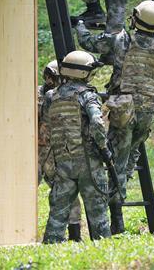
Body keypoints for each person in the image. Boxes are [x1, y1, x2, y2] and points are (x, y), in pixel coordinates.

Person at [76, 0, 154, 234]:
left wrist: (79, 25)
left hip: (123, 108)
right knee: (130, 157)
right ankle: (119, 201)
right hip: (147, 109)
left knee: (116, 162)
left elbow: (88, 42)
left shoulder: (121, 40)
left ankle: (116, 220)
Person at [40, 50, 113, 242]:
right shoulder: (87, 96)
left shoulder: (51, 96)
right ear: (83, 73)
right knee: (97, 210)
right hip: (88, 162)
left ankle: (51, 247)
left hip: (62, 162)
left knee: (58, 212)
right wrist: (104, 148)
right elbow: (97, 123)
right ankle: (103, 249)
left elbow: (48, 125)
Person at [37, 59, 83, 241]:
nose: (49, 81)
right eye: (48, 77)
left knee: (67, 191)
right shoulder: (37, 95)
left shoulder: (65, 96)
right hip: (35, 151)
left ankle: (74, 234)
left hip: (57, 150)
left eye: (53, 78)